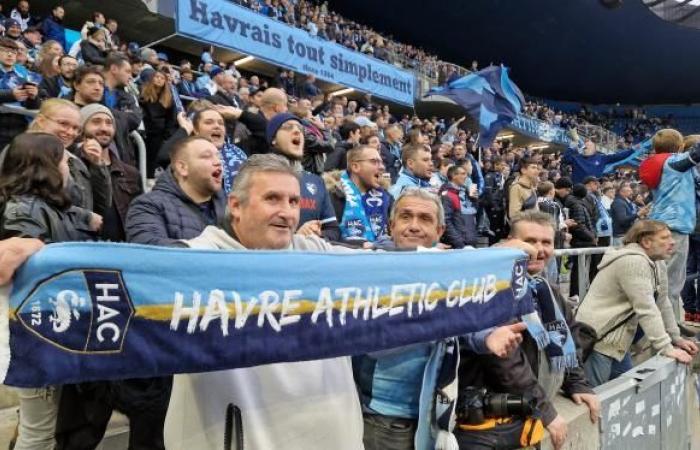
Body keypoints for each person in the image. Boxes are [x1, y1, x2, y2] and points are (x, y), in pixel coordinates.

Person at [164, 154, 364, 450]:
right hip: (238, 435)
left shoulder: (319, 254)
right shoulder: (195, 259)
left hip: (328, 433)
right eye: (273, 199)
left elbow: (386, 269)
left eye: (294, 202)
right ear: (235, 206)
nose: (287, 213)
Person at [354, 187, 528, 450]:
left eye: (425, 219)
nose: (414, 226)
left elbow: (462, 320)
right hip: (385, 416)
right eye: (406, 217)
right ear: (391, 225)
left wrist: (487, 337)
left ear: (439, 230)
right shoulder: (365, 270)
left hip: (436, 410)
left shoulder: (450, 271)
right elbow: (374, 344)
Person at [455, 211, 599, 450]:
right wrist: (545, 411)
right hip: (498, 420)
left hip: (531, 405)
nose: (538, 250)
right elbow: (505, 363)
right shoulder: (494, 287)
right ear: (511, 241)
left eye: (546, 242)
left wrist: (577, 383)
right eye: (530, 241)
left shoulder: (547, 290)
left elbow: (570, 338)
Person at [0, 133, 101, 450]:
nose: (70, 166)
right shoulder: (22, 211)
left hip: (54, 329)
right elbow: (19, 267)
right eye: (64, 159)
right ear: (48, 165)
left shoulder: (50, 206)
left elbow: (78, 215)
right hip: (36, 334)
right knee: (38, 432)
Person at [576, 220, 699, 387]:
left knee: (624, 395)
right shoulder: (634, 262)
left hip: (618, 342)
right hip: (599, 341)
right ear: (646, 242)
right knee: (595, 397)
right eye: (664, 238)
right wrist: (666, 348)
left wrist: (676, 338)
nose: (672, 242)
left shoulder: (657, 261)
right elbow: (647, 308)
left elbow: (663, 303)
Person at [641, 129, 700, 321]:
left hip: (663, 225)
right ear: (679, 146)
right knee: (670, 284)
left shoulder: (660, 164)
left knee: (666, 281)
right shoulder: (673, 163)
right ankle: (667, 331)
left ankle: (671, 324)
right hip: (673, 228)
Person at [126, 136, 226, 246]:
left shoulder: (232, 205)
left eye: (218, 156)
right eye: (206, 156)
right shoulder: (148, 206)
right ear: (182, 168)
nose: (218, 162)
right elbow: (149, 250)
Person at [25, 99, 112, 215]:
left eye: (76, 128)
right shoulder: (22, 153)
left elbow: (102, 205)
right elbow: (31, 206)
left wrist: (97, 166)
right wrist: (85, 218)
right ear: (41, 120)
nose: (70, 132)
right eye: (63, 124)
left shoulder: (75, 160)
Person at [266, 112, 340, 241]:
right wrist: (296, 238)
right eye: (288, 127)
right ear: (273, 139)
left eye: (300, 129)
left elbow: (333, 230)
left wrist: (317, 235)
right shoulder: (258, 177)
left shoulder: (316, 181)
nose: (297, 131)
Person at [327, 144, 392, 244]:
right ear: (355, 167)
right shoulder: (332, 196)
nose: (382, 167)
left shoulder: (387, 198)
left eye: (381, 162)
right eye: (374, 161)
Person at [0, 37, 40, 148]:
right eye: (4, 50)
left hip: (20, 127)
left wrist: (33, 97)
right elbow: (12, 95)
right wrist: (10, 95)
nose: (10, 54)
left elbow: (33, 107)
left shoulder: (25, 75)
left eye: (13, 52)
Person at [561, 129, 635, 184]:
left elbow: (618, 156)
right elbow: (565, 159)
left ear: (594, 148)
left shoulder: (602, 158)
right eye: (585, 145)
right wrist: (572, 146)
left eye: (589, 144)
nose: (586, 146)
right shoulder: (577, 158)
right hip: (579, 189)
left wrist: (632, 150)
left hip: (593, 190)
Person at [141, 70, 179, 176]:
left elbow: (171, 118)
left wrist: (166, 134)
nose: (159, 79)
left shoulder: (168, 98)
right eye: (157, 76)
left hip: (158, 133)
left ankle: (149, 177)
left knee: (152, 159)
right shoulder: (144, 93)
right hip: (145, 130)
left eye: (162, 78)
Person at [441, 164, 478, 248]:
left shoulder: (465, 192)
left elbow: (474, 214)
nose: (466, 176)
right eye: (463, 173)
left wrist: (474, 199)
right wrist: (458, 242)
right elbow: (446, 221)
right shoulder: (447, 194)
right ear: (454, 176)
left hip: (468, 242)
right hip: (459, 246)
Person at [507, 157, 539, 221]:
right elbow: (514, 215)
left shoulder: (531, 187)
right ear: (523, 170)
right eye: (533, 168)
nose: (537, 171)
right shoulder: (516, 187)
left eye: (537, 168)